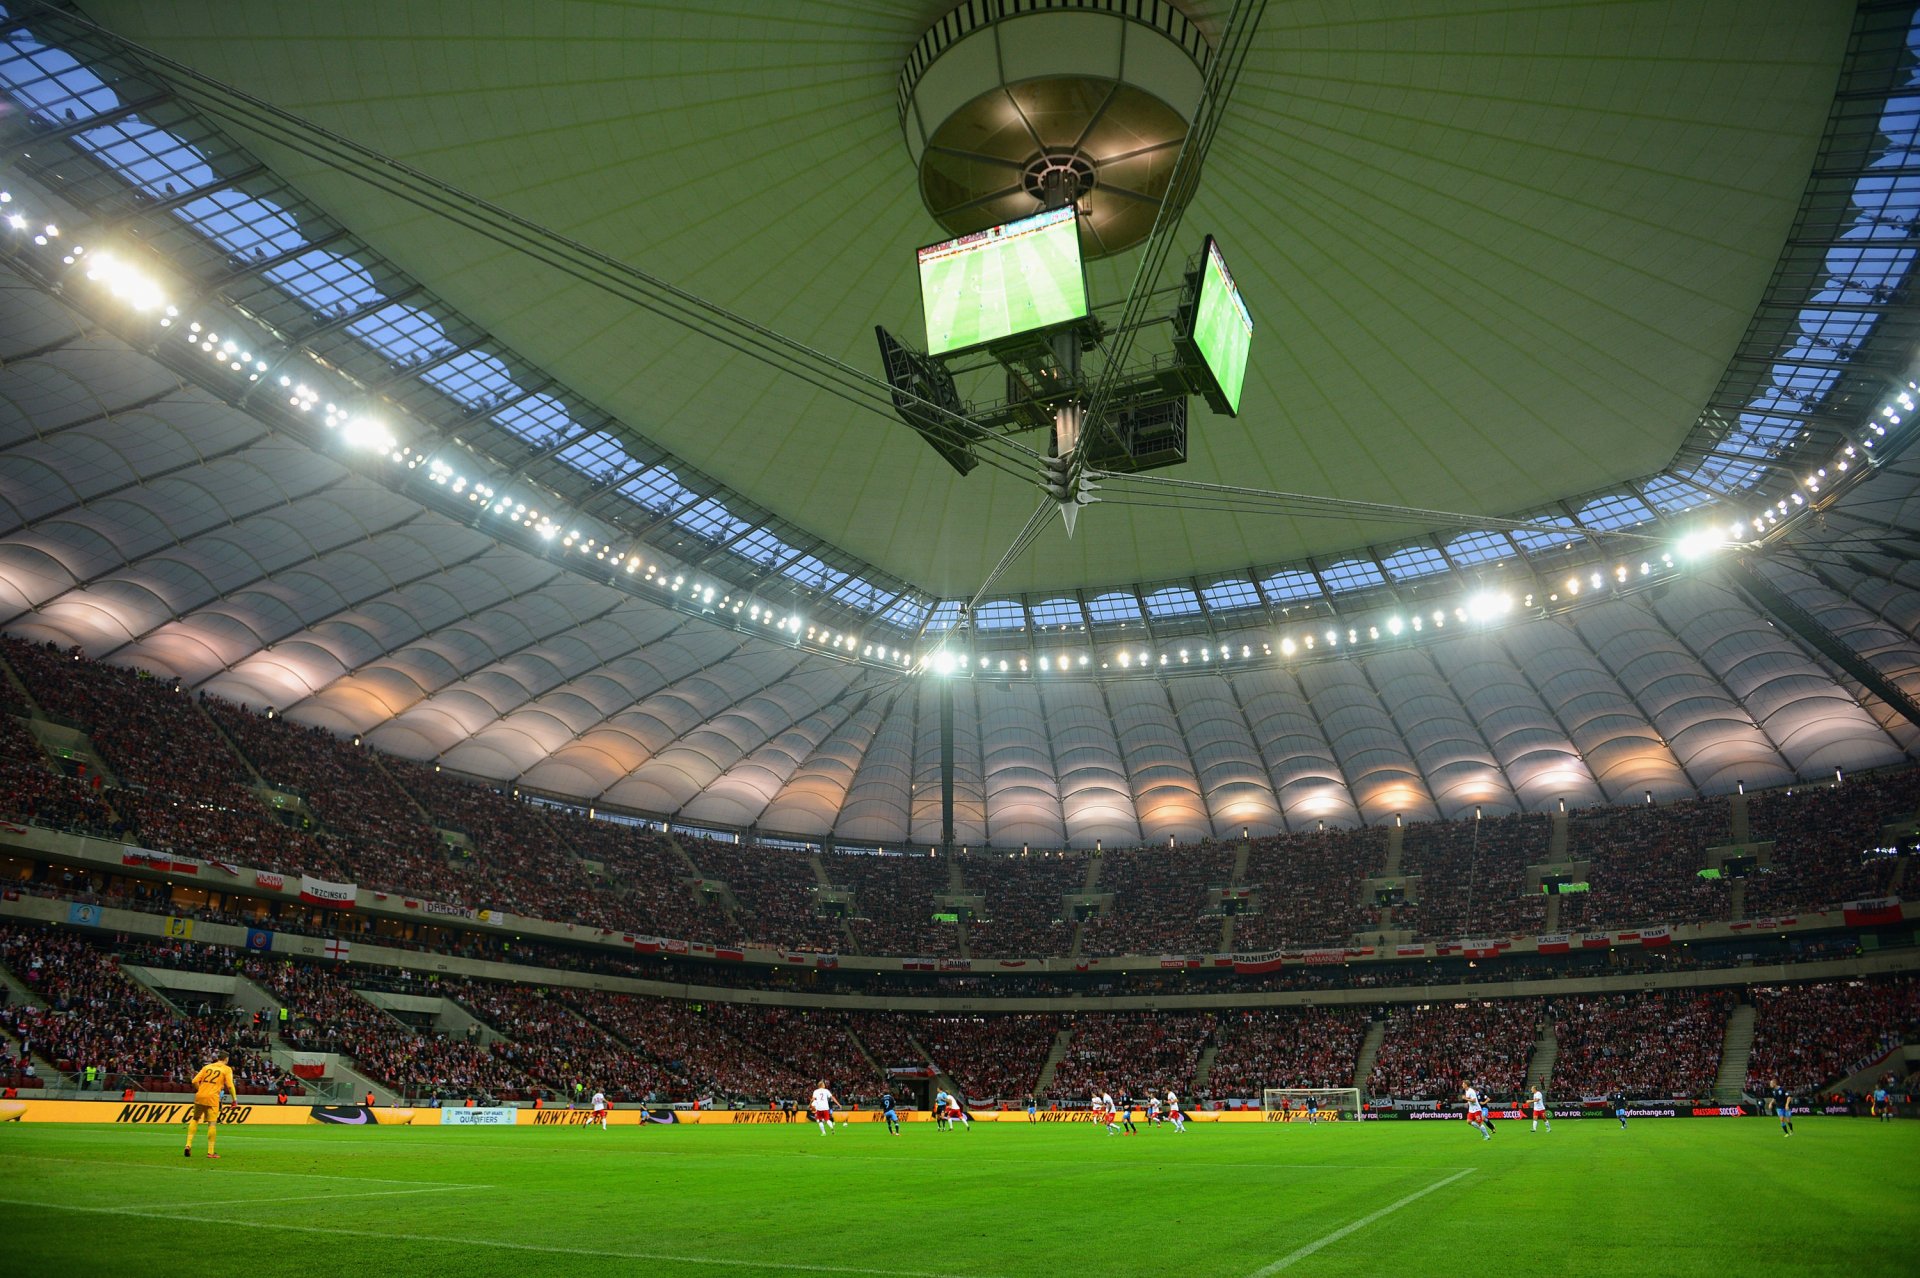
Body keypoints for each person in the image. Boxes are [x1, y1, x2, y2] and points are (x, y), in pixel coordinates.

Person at [184, 1051, 235, 1160]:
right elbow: (230, 1086)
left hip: (200, 1096)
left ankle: (188, 1144)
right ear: (226, 1059)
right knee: (212, 1124)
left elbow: (194, 1081)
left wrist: (201, 1089)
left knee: (195, 1119)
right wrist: (234, 1099)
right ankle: (210, 1152)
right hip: (213, 1098)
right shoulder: (226, 1069)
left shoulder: (207, 1067)